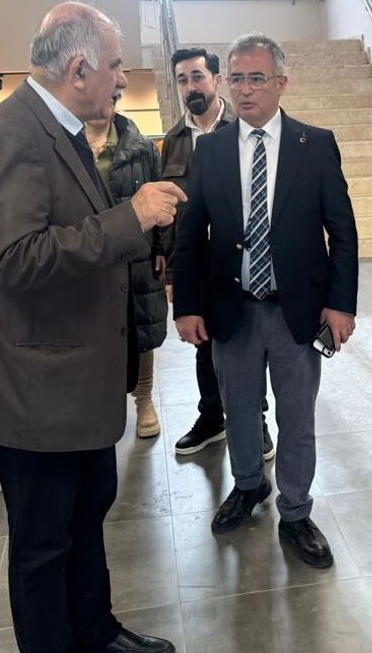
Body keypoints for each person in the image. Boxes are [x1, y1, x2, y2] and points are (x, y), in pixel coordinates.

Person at [0, 2, 181, 653]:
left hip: (71, 377)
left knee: (86, 512)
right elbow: (17, 258)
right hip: (34, 386)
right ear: (78, 69)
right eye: (116, 66)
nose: (122, 79)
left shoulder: (58, 127)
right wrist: (130, 218)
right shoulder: (12, 135)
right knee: (43, 542)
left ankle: (95, 632)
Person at [172, 33, 359, 568]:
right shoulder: (210, 150)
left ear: (281, 82)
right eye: (237, 78)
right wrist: (187, 306)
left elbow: (342, 232)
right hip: (232, 310)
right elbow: (190, 234)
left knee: (297, 419)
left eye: (257, 78)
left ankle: (296, 511)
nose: (246, 89)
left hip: (295, 310)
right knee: (238, 410)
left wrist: (341, 305)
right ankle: (249, 484)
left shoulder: (314, 145)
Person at [159, 47, 273, 459]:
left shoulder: (244, 129)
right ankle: (211, 418)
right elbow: (169, 211)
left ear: (217, 80)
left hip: (239, 261)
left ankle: (256, 423)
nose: (190, 86)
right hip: (195, 264)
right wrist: (172, 273)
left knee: (247, 344)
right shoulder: (173, 141)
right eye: (182, 80)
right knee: (203, 344)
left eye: (197, 77)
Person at [85, 102, 168, 439]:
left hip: (138, 254)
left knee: (142, 326)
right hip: (90, 254)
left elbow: (160, 196)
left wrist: (160, 247)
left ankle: (144, 400)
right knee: (96, 330)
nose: (101, 104)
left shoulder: (141, 146)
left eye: (109, 97)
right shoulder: (66, 145)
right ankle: (103, 402)